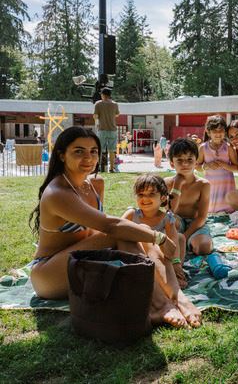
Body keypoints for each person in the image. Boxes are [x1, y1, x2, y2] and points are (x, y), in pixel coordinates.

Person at [29, 127, 201, 328]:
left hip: (83, 260)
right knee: (125, 233)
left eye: (93, 151)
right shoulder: (58, 193)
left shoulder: (95, 184)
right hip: (48, 274)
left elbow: (101, 230)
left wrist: (149, 240)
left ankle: (178, 297)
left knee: (132, 234)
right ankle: (160, 304)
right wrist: (159, 237)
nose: (88, 157)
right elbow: (109, 225)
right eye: (78, 151)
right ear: (61, 155)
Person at [122, 173, 187, 288]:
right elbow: (118, 229)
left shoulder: (166, 218)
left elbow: (173, 240)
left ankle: (175, 271)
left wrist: (176, 262)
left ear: (162, 198)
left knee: (180, 238)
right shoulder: (132, 214)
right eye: (141, 194)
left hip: (162, 254)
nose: (145, 198)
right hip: (139, 253)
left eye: (151, 194)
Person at [165, 138, 213, 255]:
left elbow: (202, 217)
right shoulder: (166, 183)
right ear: (172, 163)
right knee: (169, 219)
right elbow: (170, 211)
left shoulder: (203, 185)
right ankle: (182, 244)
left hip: (196, 224)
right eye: (179, 160)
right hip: (176, 223)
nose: (185, 164)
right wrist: (177, 185)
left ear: (196, 162)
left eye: (189, 159)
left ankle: (187, 243)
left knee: (204, 247)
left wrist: (184, 237)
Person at [197, 115, 238, 213]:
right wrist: (206, 166)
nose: (218, 134)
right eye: (215, 131)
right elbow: (197, 166)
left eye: (221, 131)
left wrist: (225, 165)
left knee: (228, 215)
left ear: (225, 132)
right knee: (211, 214)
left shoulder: (228, 147)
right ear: (208, 132)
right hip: (211, 188)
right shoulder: (203, 148)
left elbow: (237, 168)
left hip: (227, 187)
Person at [93, 88, 119, 172]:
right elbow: (117, 114)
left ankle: (99, 167)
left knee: (100, 149)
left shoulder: (98, 104)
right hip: (113, 129)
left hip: (102, 129)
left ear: (103, 95)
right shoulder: (115, 104)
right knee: (112, 150)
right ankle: (111, 168)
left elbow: (95, 116)